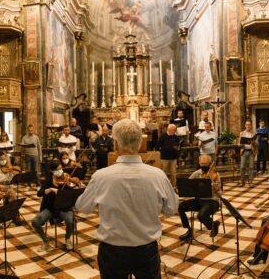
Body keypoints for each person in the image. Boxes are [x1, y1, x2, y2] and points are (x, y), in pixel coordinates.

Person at [75, 119, 178, 279]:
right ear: (139, 145)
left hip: (112, 251)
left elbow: (83, 207)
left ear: (115, 144)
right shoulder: (158, 175)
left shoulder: (101, 176)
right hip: (146, 250)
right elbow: (171, 209)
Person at [31, 160, 84, 252]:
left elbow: (74, 190)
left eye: (61, 169)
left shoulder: (66, 177)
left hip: (64, 207)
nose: (61, 171)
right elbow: (39, 193)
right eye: (58, 169)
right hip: (51, 208)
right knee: (35, 222)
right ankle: (46, 242)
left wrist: (75, 182)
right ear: (52, 171)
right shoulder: (48, 180)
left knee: (69, 221)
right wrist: (46, 190)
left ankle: (68, 239)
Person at [178, 154, 221, 240]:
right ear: (199, 163)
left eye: (206, 164)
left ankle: (214, 225)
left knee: (201, 216)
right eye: (202, 164)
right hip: (199, 200)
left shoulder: (215, 174)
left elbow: (218, 190)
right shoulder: (197, 173)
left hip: (212, 201)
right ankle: (189, 231)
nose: (204, 166)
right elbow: (188, 184)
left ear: (210, 163)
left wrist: (213, 186)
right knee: (180, 206)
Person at [238, 120, 256, 186]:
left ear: (251, 126)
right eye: (247, 124)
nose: (248, 126)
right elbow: (238, 143)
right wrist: (240, 144)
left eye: (249, 125)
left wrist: (254, 143)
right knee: (242, 167)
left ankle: (250, 182)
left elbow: (256, 144)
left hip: (251, 151)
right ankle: (242, 181)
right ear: (245, 125)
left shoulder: (253, 133)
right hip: (244, 151)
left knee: (251, 167)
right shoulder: (242, 133)